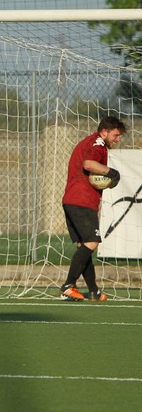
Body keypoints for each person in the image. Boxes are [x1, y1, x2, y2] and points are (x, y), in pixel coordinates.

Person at [60, 116, 124, 302]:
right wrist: (111, 172)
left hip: (73, 200)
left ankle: (94, 291)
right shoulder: (97, 143)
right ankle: (68, 285)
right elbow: (89, 164)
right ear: (104, 132)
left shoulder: (91, 142)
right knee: (92, 242)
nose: (118, 139)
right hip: (81, 201)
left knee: (85, 246)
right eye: (116, 135)